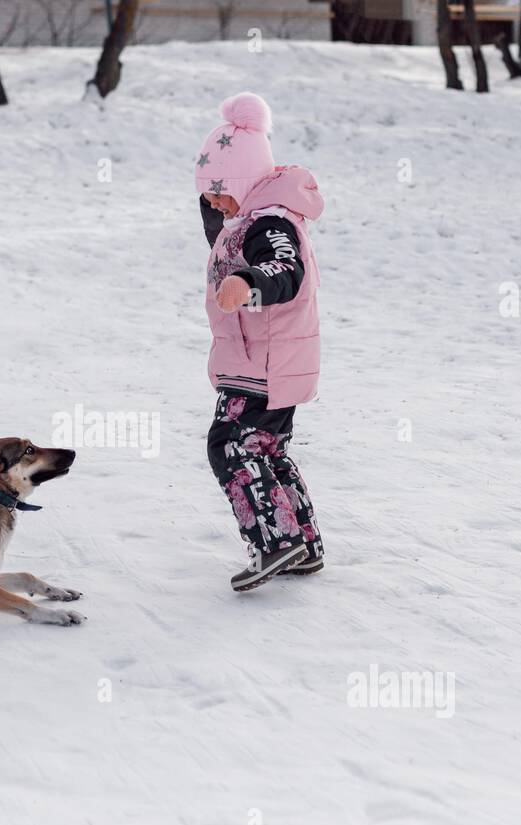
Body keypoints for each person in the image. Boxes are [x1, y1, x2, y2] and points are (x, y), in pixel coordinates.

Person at [195, 92, 326, 591]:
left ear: (245, 182)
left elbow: (284, 269)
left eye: (218, 190)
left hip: (262, 364)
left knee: (230, 446)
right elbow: (221, 235)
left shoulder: (270, 223)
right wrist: (219, 207)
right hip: (269, 360)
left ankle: (275, 541)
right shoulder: (248, 218)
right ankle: (303, 544)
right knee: (266, 449)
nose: (211, 202)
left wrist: (249, 282)